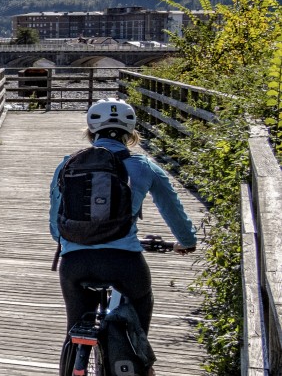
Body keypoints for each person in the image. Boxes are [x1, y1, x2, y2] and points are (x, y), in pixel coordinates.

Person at [49, 99, 197, 339]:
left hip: (75, 262)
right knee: (141, 300)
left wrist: (72, 238)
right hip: (125, 261)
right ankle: (143, 363)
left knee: (75, 329)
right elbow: (172, 208)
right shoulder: (144, 166)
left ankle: (74, 362)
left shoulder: (67, 164)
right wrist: (187, 241)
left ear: (91, 131)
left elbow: (56, 224)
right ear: (130, 133)